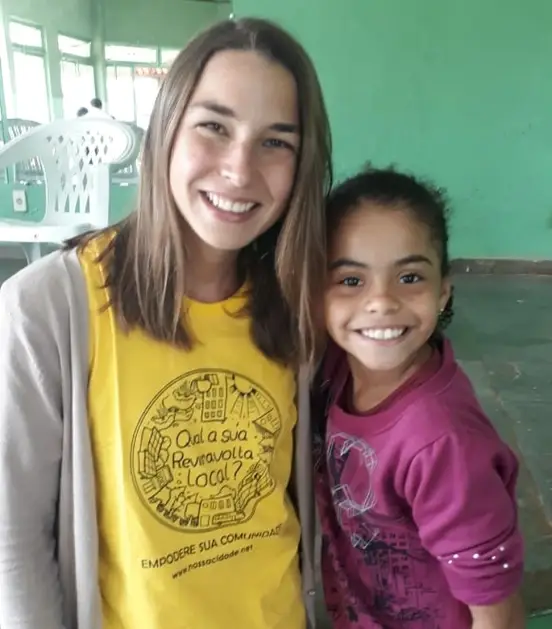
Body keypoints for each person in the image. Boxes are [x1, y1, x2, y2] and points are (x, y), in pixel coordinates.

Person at [0, 17, 332, 629]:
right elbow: (12, 540)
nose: (239, 169)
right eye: (214, 126)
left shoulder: (295, 302)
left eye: (275, 142)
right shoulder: (49, 308)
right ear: (165, 131)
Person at [314, 166, 525, 629]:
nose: (382, 302)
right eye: (351, 280)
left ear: (444, 292)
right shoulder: (338, 370)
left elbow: (495, 608)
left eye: (409, 277)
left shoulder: (442, 443)